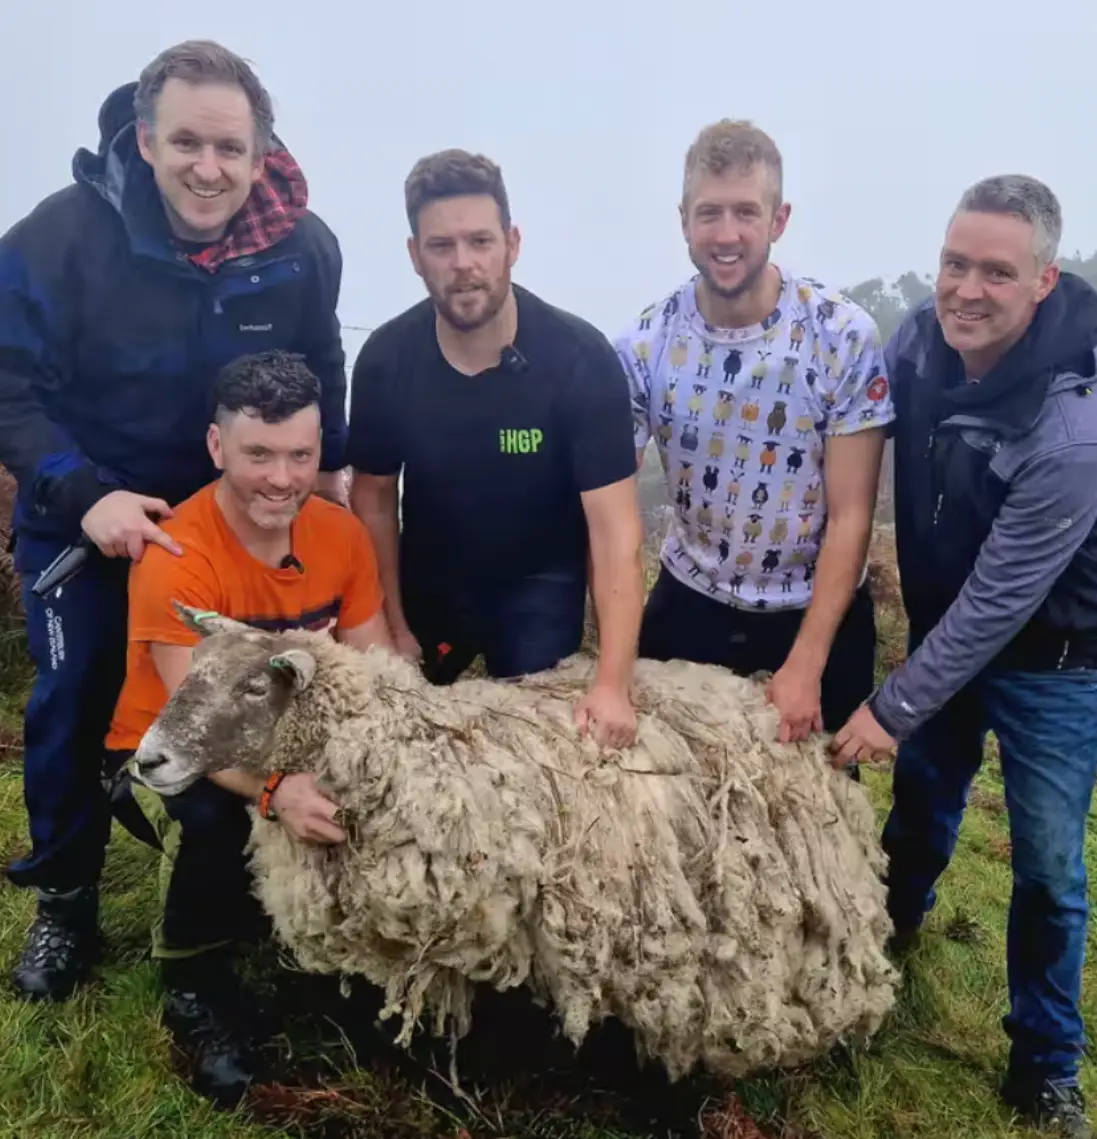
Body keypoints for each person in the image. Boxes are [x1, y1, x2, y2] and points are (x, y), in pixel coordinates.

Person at [0, 40, 350, 1003]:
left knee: (266, 696)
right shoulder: (56, 238)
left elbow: (322, 363)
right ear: (144, 140)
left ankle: (261, 879)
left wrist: (317, 497)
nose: (209, 168)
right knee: (73, 698)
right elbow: (8, 386)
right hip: (92, 510)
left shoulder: (303, 247)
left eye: (230, 148)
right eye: (187, 142)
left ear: (261, 151)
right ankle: (64, 902)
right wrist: (82, 490)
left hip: (236, 522)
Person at [830, 175, 1097, 1137]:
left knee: (1048, 869)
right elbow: (852, 445)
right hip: (941, 628)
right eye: (953, 263)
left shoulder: (1070, 432)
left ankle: (1044, 1065)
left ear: (1041, 281)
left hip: (1053, 661)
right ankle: (881, 944)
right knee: (921, 808)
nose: (965, 289)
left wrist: (888, 705)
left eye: (995, 271)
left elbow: (998, 606)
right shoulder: (915, 343)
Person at [103, 349, 390, 1104]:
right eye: (258, 453)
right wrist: (273, 793)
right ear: (216, 445)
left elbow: (378, 670)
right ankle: (194, 979)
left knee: (376, 793)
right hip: (173, 748)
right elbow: (198, 730)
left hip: (294, 734)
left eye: (301, 454)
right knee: (211, 817)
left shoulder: (340, 535)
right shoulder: (178, 557)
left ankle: (346, 959)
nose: (281, 476)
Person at [347, 148, 644, 748]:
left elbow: (616, 534)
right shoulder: (385, 360)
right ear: (414, 256)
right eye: (441, 246)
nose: (463, 264)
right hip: (430, 580)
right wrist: (392, 626)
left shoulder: (579, 360)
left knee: (535, 751)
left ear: (512, 243)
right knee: (401, 744)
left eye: (480, 242)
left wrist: (613, 683)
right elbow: (373, 500)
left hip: (539, 583)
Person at [615, 119, 892, 747]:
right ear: (683, 219)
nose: (727, 234)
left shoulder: (842, 336)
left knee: (812, 813)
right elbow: (614, 508)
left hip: (812, 608)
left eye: (747, 211)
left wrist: (807, 663)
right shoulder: (642, 346)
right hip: (693, 600)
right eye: (709, 213)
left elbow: (852, 515)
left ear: (779, 218)